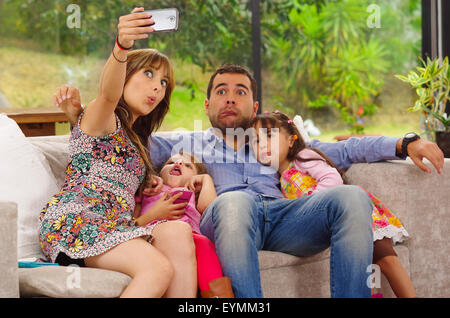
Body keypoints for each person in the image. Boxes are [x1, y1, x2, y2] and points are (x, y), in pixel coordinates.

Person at [55, 63, 444, 297]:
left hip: (285, 219)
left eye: (240, 92)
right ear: (206, 106)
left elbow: (343, 149)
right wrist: (78, 115)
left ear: (254, 106)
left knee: (352, 198)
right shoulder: (182, 142)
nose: (229, 98)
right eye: (220, 92)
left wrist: (404, 141)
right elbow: (117, 141)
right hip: (227, 219)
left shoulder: (274, 139)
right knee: (236, 200)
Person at [40, 7, 197, 298]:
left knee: (177, 232)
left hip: (114, 226)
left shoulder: (138, 143)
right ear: (125, 74)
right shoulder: (103, 117)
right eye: (148, 73)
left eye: (163, 82)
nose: (157, 87)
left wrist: (151, 180)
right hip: (77, 221)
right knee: (157, 268)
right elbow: (108, 95)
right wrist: (122, 46)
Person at [250, 110, 417, 298]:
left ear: (291, 140)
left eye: (270, 135)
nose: (263, 144)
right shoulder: (279, 179)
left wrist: (313, 203)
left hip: (359, 214)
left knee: (386, 258)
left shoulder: (303, 157)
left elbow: (331, 178)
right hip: (336, 220)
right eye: (256, 140)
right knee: (360, 263)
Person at [133, 151, 234, 298]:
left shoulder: (191, 193)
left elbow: (211, 208)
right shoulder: (150, 190)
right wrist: (154, 210)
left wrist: (206, 180)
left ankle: (218, 296)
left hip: (189, 239)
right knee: (202, 242)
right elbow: (131, 223)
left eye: (188, 166)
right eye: (170, 163)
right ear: (159, 173)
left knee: (203, 242)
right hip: (152, 235)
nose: (178, 163)